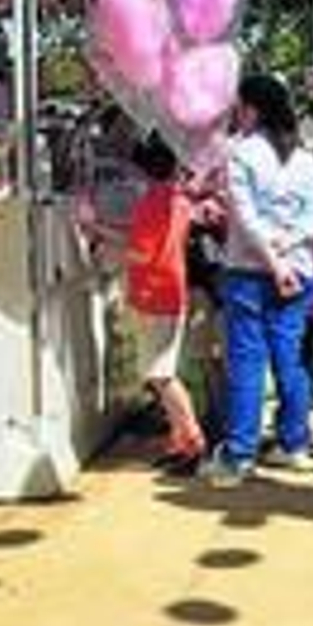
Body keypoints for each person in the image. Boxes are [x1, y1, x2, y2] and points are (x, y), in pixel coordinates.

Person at [198, 74, 313, 486]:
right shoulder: (305, 158)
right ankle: (294, 442)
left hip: (249, 272)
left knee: (247, 362)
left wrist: (273, 260)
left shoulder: (241, 153)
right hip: (298, 269)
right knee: (290, 358)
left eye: (240, 107)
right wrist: (288, 249)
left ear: (252, 108)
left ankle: (239, 454)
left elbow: (246, 217)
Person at [123, 134, 205, 472]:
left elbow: (141, 252)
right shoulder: (179, 199)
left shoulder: (151, 202)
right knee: (163, 370)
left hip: (152, 293)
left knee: (160, 375)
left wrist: (101, 234)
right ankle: (179, 439)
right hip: (171, 290)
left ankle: (192, 439)